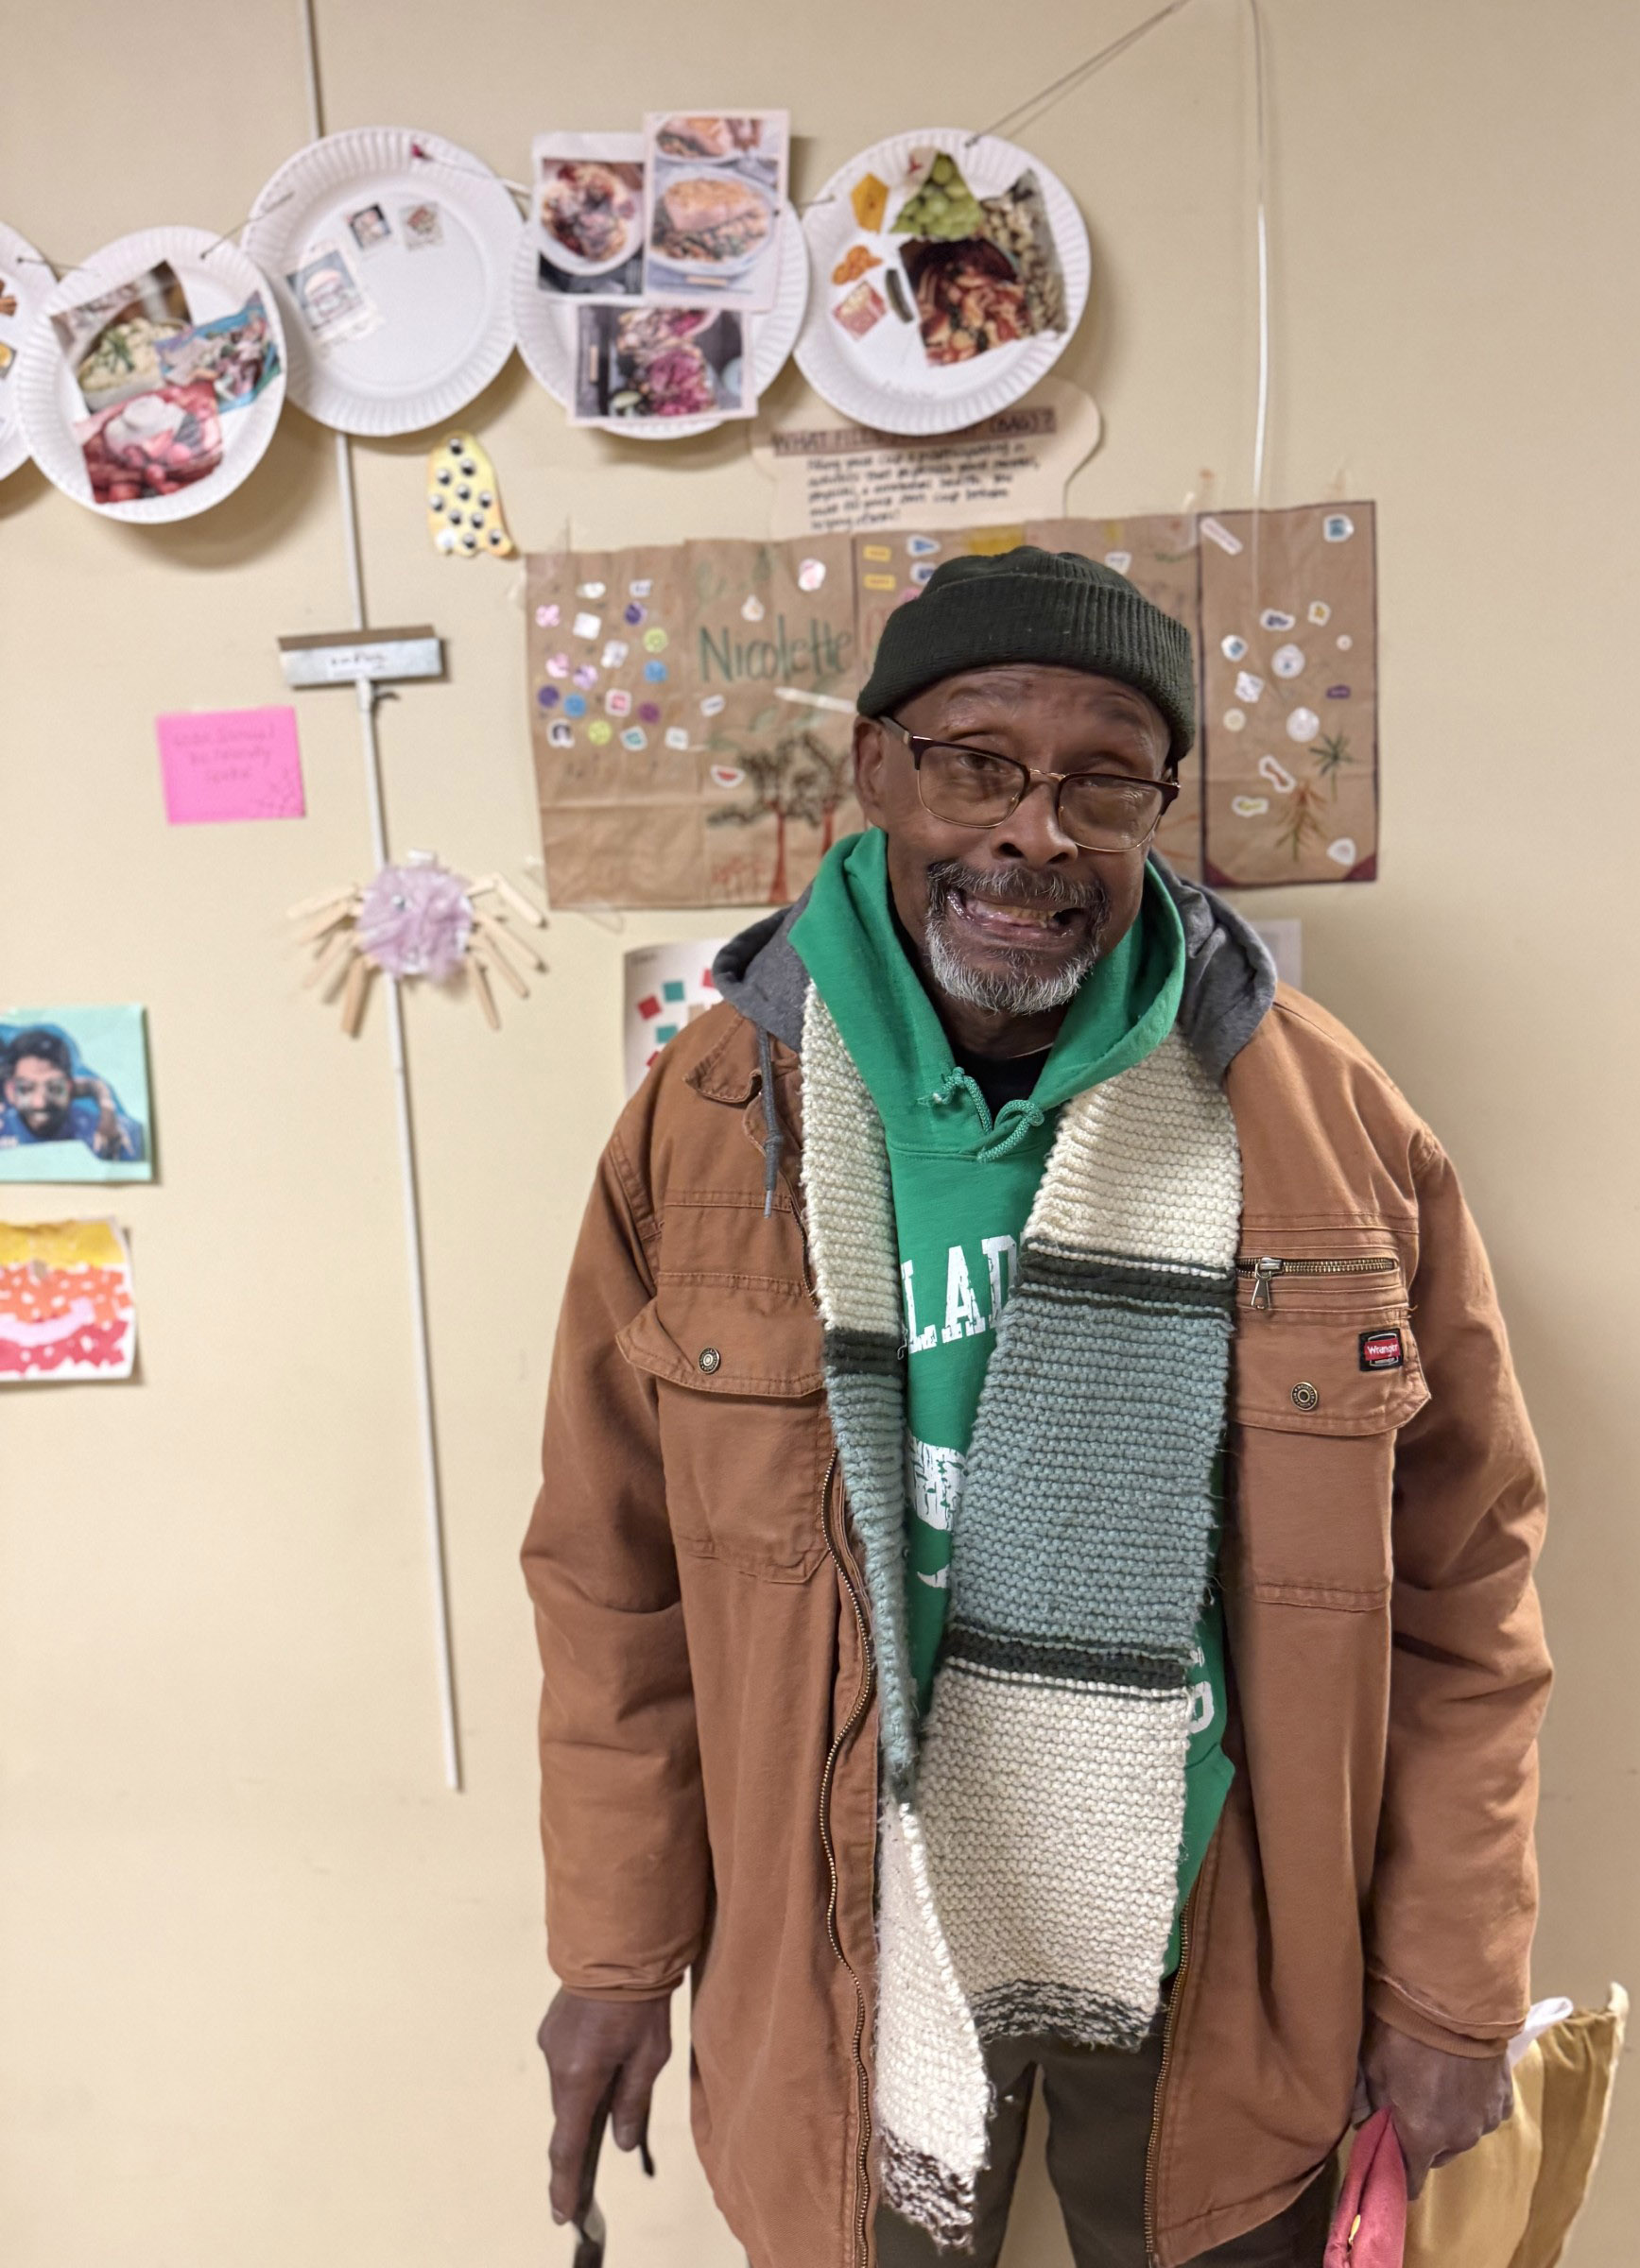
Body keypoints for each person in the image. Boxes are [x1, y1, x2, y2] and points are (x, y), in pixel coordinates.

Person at [525, 549, 1549, 2268]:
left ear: (1158, 806)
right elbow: (609, 1589)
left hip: (1219, 1948)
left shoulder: (1326, 1125)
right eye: (975, 761)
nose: (1034, 833)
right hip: (855, 1942)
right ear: (876, 771)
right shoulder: (704, 1129)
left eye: (1104, 780)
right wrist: (617, 1957)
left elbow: (1466, 1586)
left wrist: (1454, 1984)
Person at [0, 1027, 144, 1161]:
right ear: (10, 1091)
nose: (40, 1102)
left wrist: (109, 1118)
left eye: (55, 1089)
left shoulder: (102, 1133)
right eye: (25, 1089)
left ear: (69, 1088)